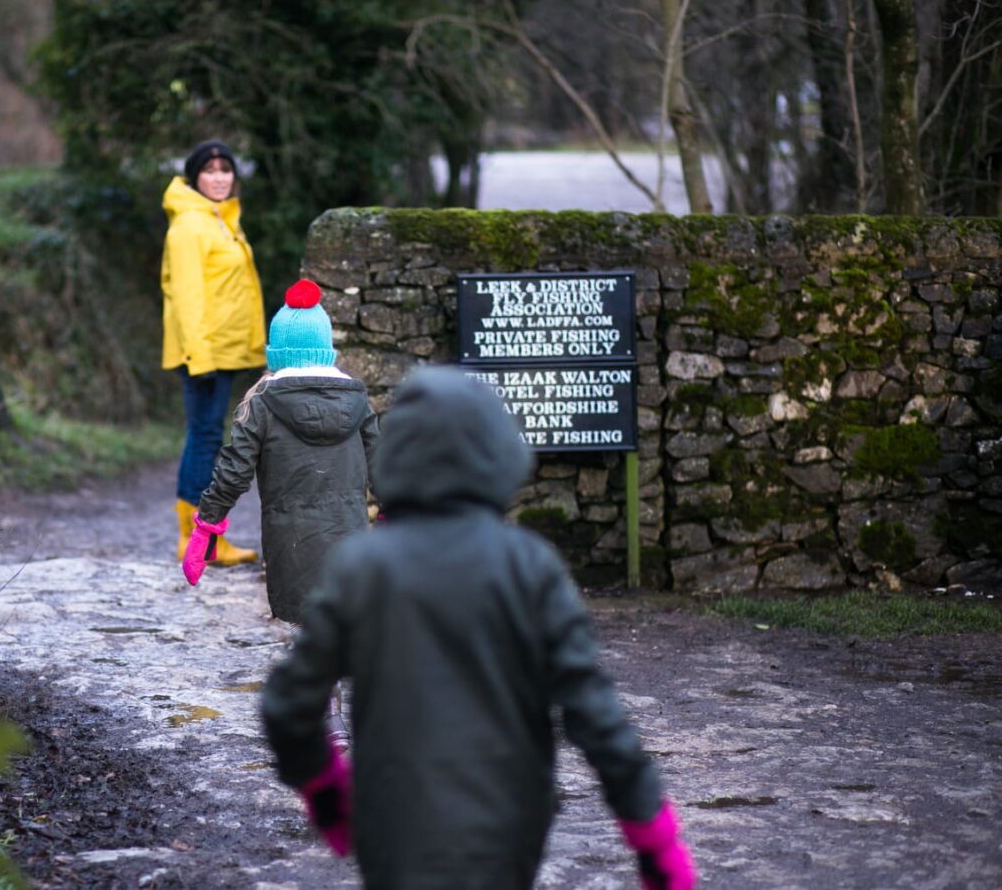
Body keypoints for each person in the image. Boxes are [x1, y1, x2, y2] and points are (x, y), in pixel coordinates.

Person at [259, 366, 697, 889]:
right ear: (497, 453)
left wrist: (327, 792)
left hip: (392, 824)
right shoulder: (529, 567)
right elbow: (593, 710)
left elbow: (288, 703)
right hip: (509, 820)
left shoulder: (363, 569)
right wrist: (652, 835)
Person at [182, 279, 379, 749]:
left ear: (277, 351)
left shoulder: (262, 403)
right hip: (352, 533)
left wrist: (207, 526)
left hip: (293, 538)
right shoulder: (356, 400)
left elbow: (232, 470)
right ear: (325, 348)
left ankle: (327, 715)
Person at [161, 139, 265, 566]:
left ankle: (202, 538)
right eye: (210, 170)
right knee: (205, 438)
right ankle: (198, 540)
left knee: (207, 436)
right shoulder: (190, 225)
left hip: (226, 350)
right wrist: (199, 357)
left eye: (226, 170)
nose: (220, 177)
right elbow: (186, 296)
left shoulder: (221, 220)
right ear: (195, 177)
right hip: (205, 354)